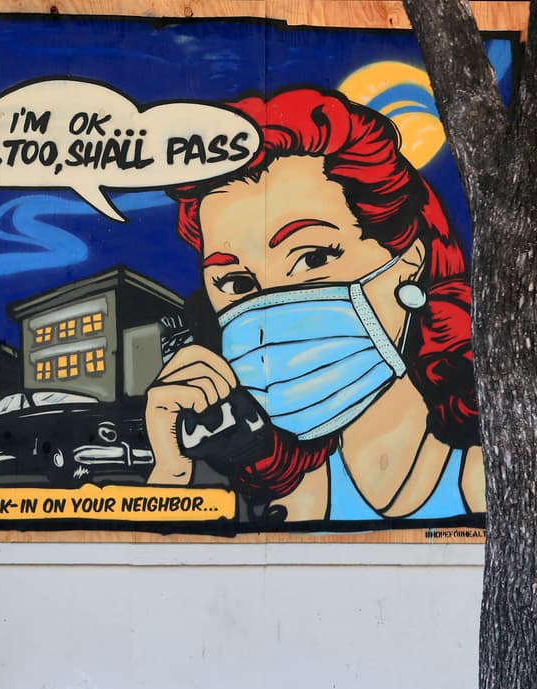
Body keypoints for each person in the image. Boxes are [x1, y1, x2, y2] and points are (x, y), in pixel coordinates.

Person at [147, 87, 484, 521]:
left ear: (409, 262)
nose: (269, 309)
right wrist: (172, 473)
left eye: (313, 258)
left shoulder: (486, 479)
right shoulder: (299, 498)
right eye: (235, 281)